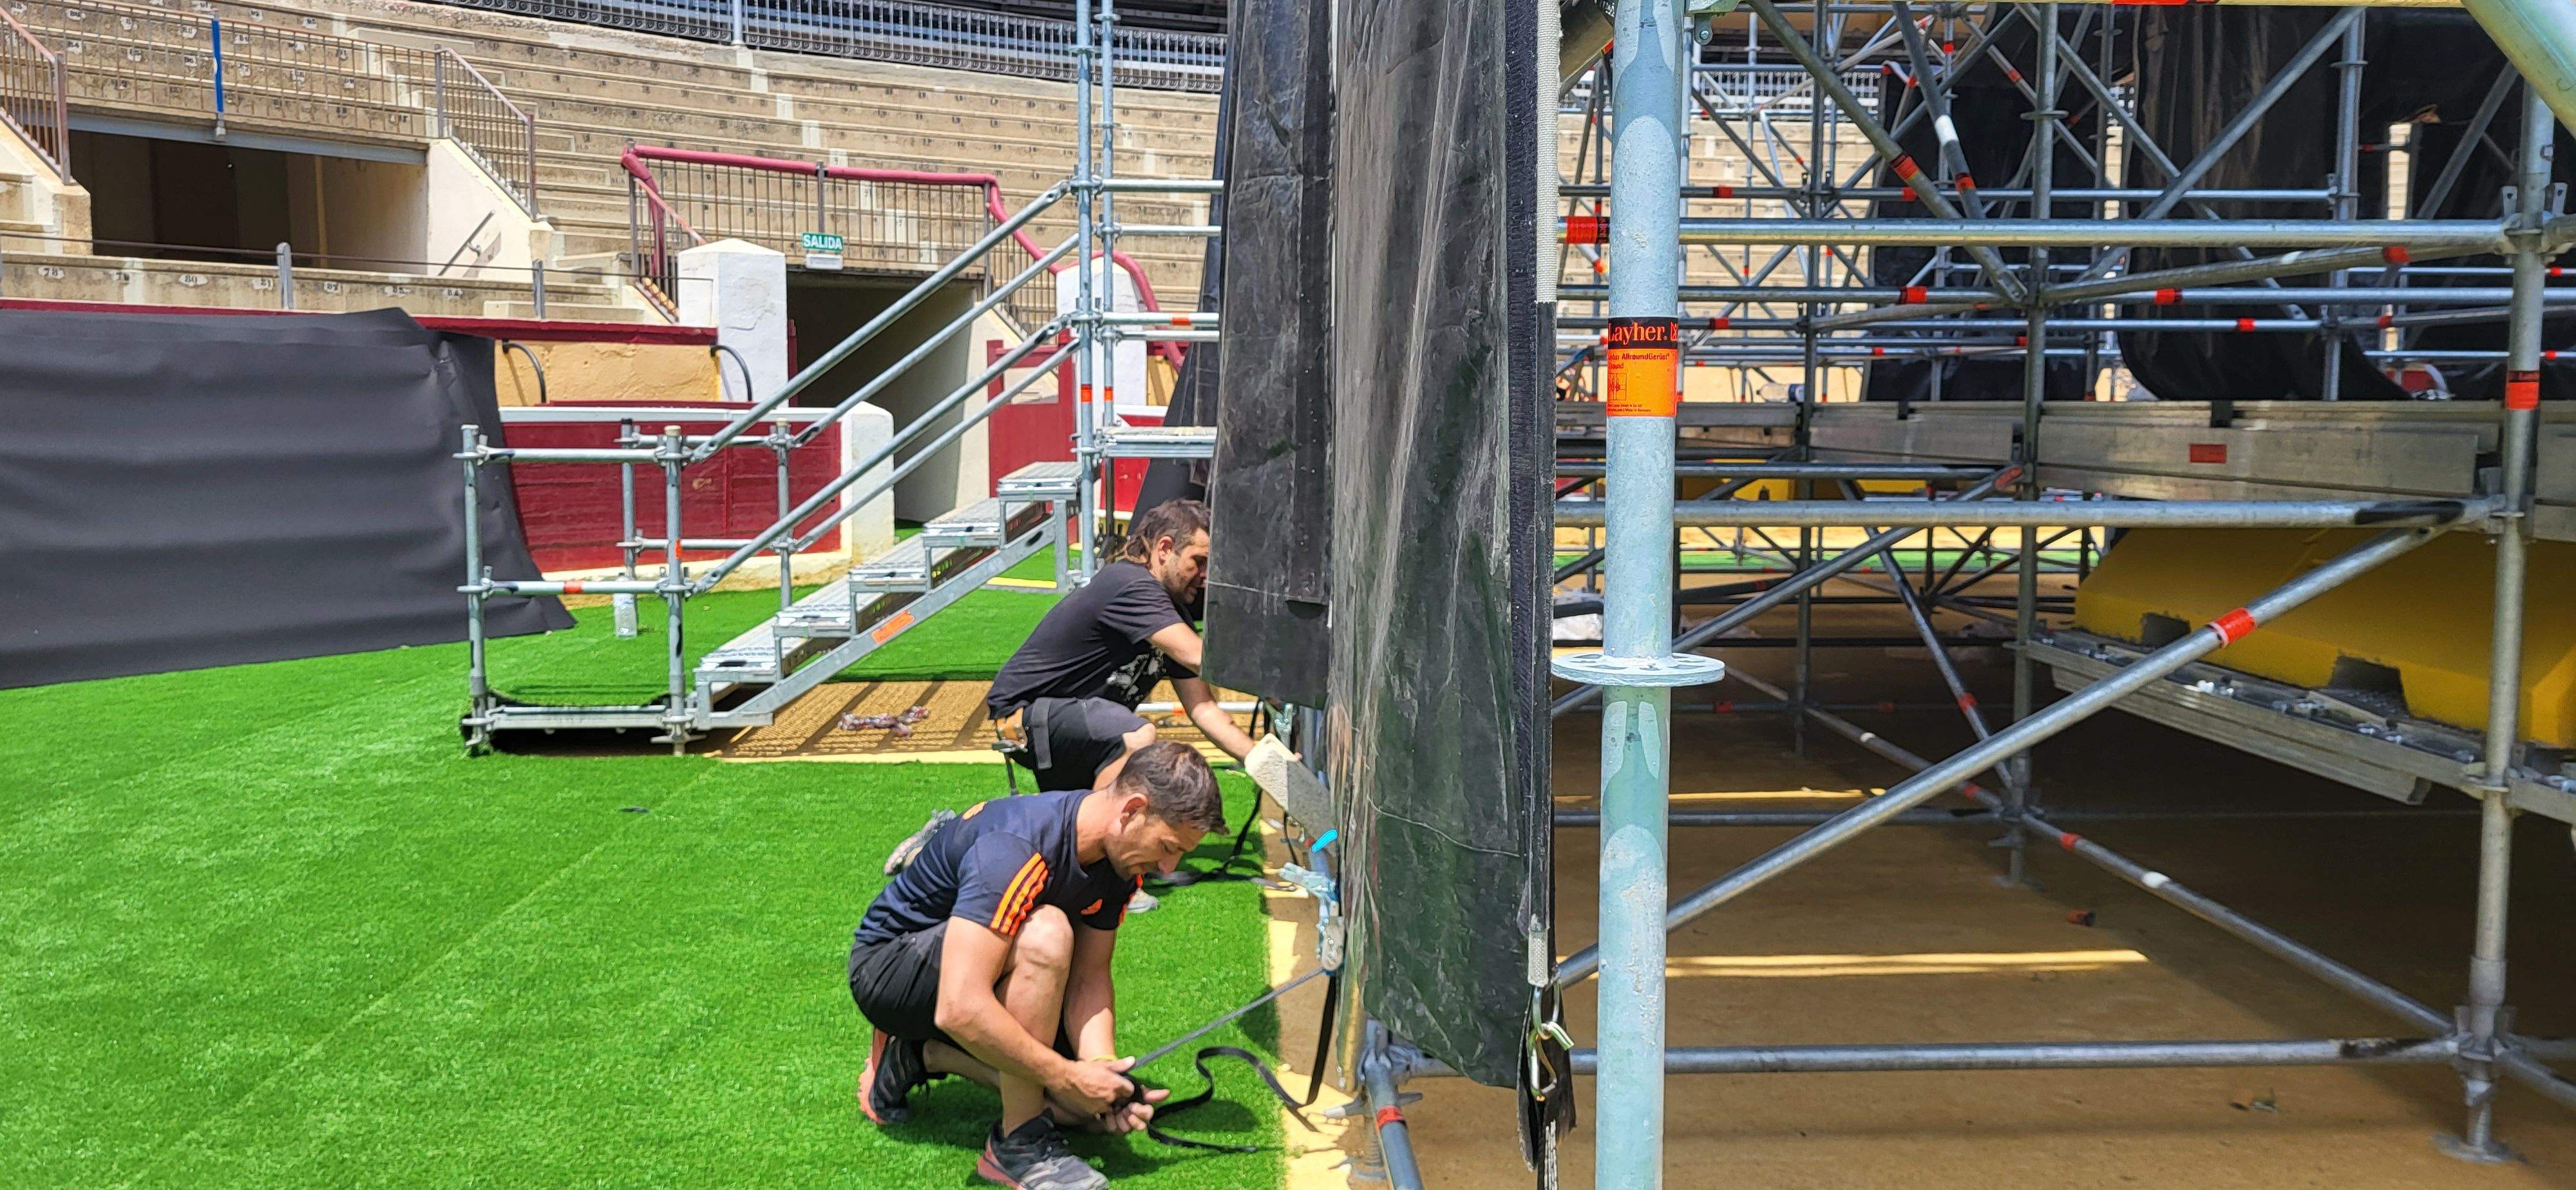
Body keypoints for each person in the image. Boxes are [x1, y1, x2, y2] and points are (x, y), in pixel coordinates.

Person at [850, 742, 1226, 1190]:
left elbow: (1090, 976)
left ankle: (916, 1053)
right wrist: (1066, 1075)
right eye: (1168, 846)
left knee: (1075, 1112)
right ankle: (1018, 1145)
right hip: (889, 969)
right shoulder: (1017, 848)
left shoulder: (1118, 864)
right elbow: (959, 1006)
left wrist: (1101, 1070)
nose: (1170, 866)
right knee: (1046, 934)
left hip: (975, 968)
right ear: (1132, 810)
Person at [987, 498, 1257, 793]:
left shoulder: (1170, 616)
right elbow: (1197, 656)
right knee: (1137, 737)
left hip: (1079, 722)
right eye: (1199, 561)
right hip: (1028, 715)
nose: (1206, 576)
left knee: (1109, 816)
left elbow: (1203, 707)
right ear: (1164, 549)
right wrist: (1274, 682)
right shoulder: (1130, 585)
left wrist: (1261, 760)